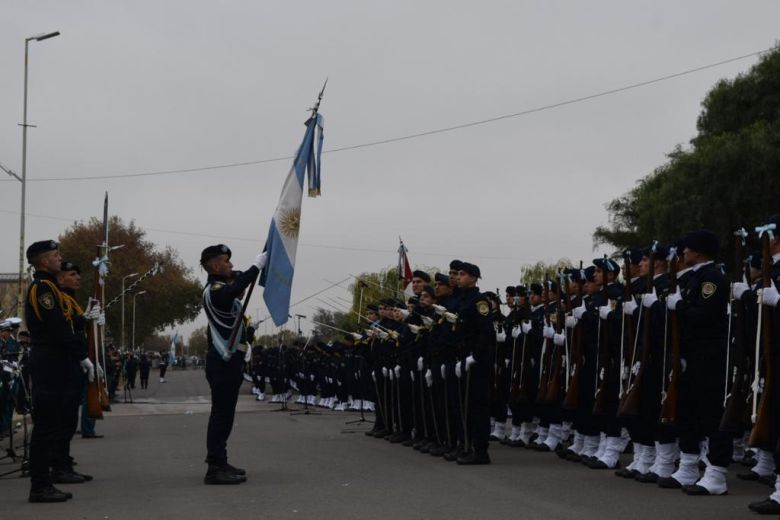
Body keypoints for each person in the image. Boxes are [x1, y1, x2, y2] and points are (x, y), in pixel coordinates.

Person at [24, 241, 97, 502]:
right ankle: (40, 485)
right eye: (56, 256)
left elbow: (66, 322)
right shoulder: (42, 288)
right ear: (44, 262)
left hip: (55, 360)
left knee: (54, 423)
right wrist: (81, 355)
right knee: (46, 427)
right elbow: (56, 327)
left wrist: (85, 320)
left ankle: (46, 480)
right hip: (49, 361)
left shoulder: (50, 287)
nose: (60, 258)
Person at [200, 244, 266, 485]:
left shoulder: (222, 288)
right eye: (227, 261)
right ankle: (214, 468)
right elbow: (233, 288)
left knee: (226, 416)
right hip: (222, 363)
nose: (231, 265)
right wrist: (255, 267)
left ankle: (221, 460)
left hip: (230, 363)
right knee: (221, 415)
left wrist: (250, 331)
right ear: (216, 265)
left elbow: (236, 283)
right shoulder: (215, 291)